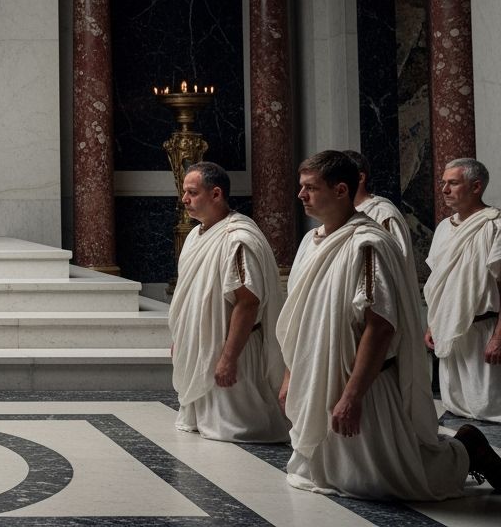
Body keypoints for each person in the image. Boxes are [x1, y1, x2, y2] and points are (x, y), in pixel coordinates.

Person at [277, 150, 500, 499]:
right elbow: (300, 318)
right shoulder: (312, 242)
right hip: (320, 373)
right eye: (301, 187)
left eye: (310, 188)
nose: (301, 195)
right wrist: (291, 375)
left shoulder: (367, 244)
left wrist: (352, 396)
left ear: (340, 190)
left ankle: (465, 449)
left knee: (390, 482)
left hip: (364, 381)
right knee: (331, 475)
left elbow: (380, 326)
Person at [169, 162, 289, 442]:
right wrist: (182, 338)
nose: (184, 199)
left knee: (238, 431)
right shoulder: (196, 236)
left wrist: (228, 358)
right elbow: (191, 296)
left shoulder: (236, 239)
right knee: (206, 432)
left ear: (216, 194)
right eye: (184, 192)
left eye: (192, 192)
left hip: (231, 350)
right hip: (203, 347)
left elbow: (247, 302)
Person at [424, 157, 501, 422]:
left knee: (489, 413)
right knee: (456, 413)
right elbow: (440, 283)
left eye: (453, 183)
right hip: (451, 337)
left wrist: (498, 338)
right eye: (443, 183)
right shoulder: (444, 228)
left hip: (485, 336)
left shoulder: (494, 226)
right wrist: (433, 325)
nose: (444, 189)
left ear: (476, 186)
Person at [342, 150, 416, 278]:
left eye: (340, 177)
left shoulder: (383, 215)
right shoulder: (341, 214)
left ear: (360, 178)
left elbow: (397, 265)